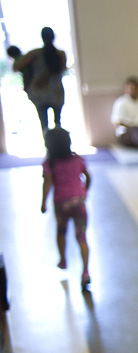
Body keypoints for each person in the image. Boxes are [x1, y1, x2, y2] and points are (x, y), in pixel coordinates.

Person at [40, 127, 91, 288]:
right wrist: (84, 192)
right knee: (81, 237)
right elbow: (88, 177)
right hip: (78, 202)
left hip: (61, 203)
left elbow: (47, 183)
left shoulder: (50, 163)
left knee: (61, 232)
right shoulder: (77, 160)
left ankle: (63, 260)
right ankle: (85, 272)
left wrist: (43, 202)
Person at [12, 27, 66, 136]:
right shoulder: (61, 54)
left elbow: (17, 67)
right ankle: (60, 146)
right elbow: (63, 69)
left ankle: (50, 148)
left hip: (39, 91)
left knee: (44, 124)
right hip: (57, 91)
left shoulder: (35, 53)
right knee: (58, 123)